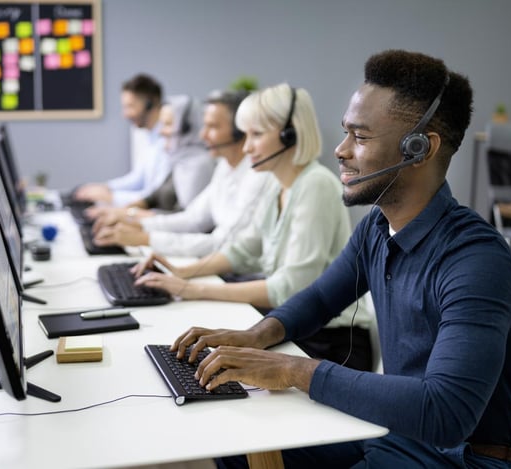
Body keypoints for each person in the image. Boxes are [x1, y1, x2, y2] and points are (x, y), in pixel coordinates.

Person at [170, 50, 511, 468]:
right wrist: (256, 336)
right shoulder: (377, 229)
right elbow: (321, 299)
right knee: (237, 447)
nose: (340, 151)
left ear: (420, 148)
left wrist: (294, 371)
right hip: (397, 434)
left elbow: (445, 413)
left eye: (359, 138)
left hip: (460, 457)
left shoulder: (476, 261)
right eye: (346, 133)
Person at [135, 83, 374, 370]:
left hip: (332, 344)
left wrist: (192, 288)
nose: (246, 147)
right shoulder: (277, 183)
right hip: (292, 327)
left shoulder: (316, 185)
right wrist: (182, 272)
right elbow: (243, 250)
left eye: (256, 135)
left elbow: (290, 287)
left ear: (290, 135)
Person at [90, 90, 267, 258]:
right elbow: (192, 218)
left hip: (231, 267)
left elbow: (224, 243)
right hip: (212, 257)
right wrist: (137, 224)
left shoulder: (256, 176)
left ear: (240, 132)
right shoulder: (224, 167)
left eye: (212, 127)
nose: (203, 135)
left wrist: (145, 237)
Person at [84, 95, 215, 223]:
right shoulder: (181, 159)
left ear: (187, 127)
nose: (160, 132)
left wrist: (130, 215)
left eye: (168, 124)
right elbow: (154, 196)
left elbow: (187, 218)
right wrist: (120, 211)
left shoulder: (199, 165)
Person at [73, 73, 171, 207]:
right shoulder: (151, 138)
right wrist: (106, 187)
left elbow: (154, 196)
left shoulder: (168, 141)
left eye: (130, 106)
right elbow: (138, 179)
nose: (125, 115)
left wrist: (111, 196)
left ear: (149, 104)